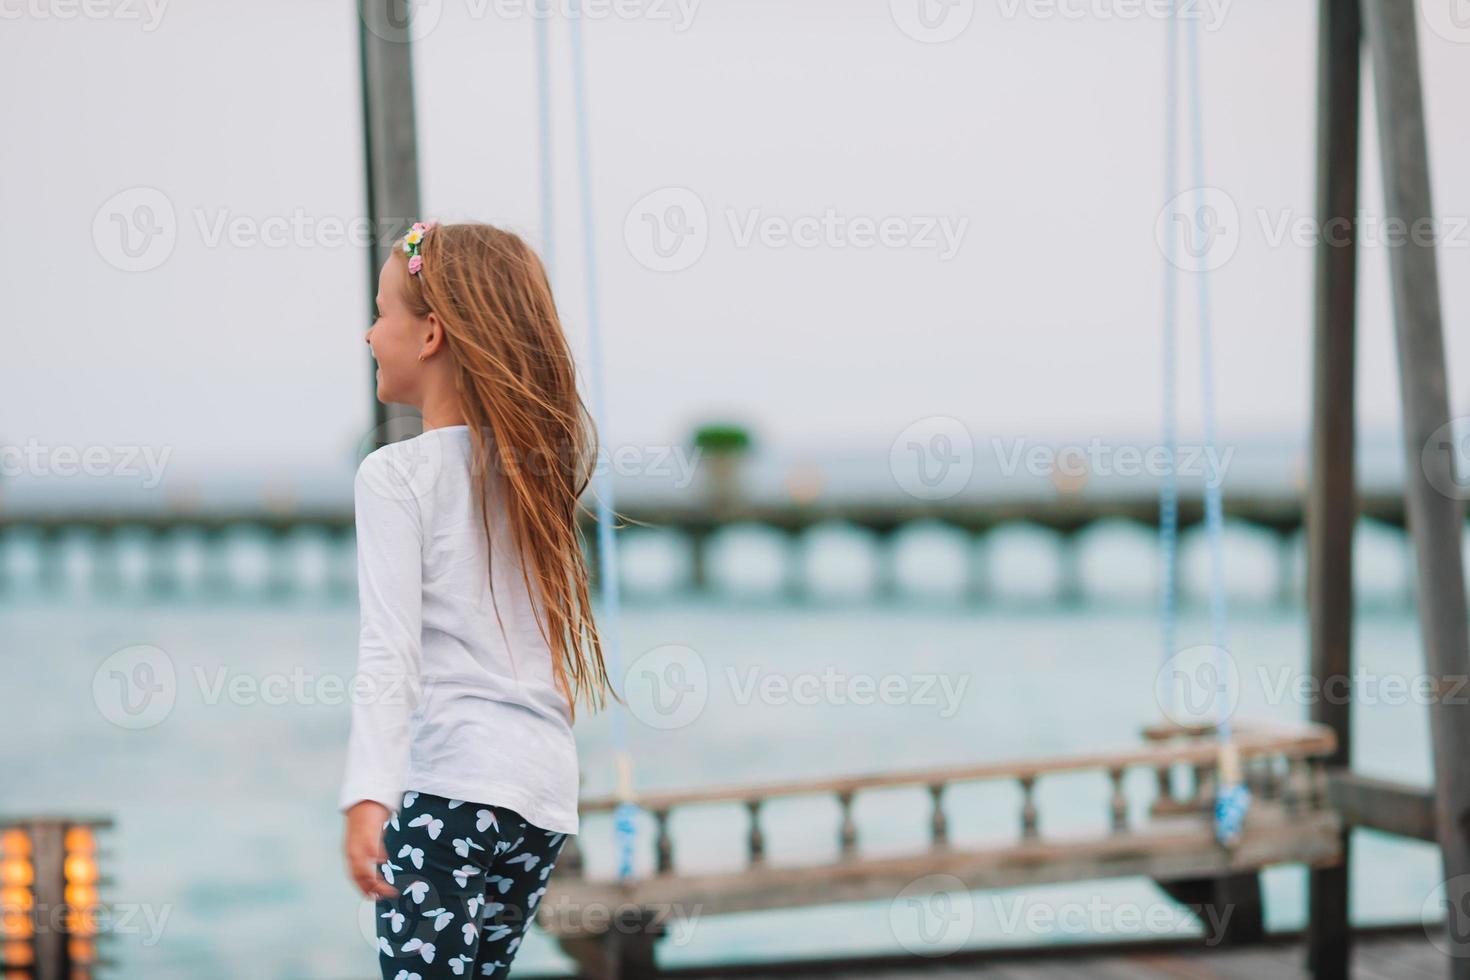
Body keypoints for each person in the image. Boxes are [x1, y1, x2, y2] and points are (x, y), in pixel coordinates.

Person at [340, 221, 616, 979]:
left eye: (382, 312)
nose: (369, 334)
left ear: (430, 333)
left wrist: (367, 793)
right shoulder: (533, 473)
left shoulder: (394, 477)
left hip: (450, 785)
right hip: (540, 797)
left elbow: (388, 648)